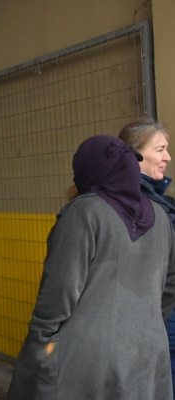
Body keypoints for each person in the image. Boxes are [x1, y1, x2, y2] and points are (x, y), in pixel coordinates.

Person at [6, 135, 175, 400]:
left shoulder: (84, 212)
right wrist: (146, 322)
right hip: (149, 350)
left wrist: (41, 340)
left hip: (89, 357)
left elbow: (60, 290)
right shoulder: (162, 216)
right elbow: (170, 285)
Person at [118, 119, 175, 397]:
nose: (168, 157)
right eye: (161, 149)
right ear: (135, 154)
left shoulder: (157, 199)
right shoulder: (138, 204)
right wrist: (158, 315)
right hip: (160, 319)